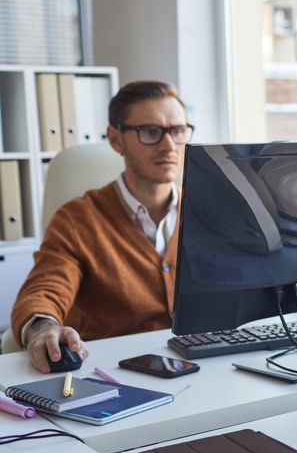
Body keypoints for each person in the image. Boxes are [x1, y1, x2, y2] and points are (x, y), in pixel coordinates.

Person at [10, 80, 194, 373]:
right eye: (150, 132)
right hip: (115, 378)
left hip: (204, 371)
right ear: (115, 139)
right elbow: (43, 292)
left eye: (178, 130)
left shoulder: (209, 212)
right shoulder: (77, 220)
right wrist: (42, 328)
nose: (170, 145)